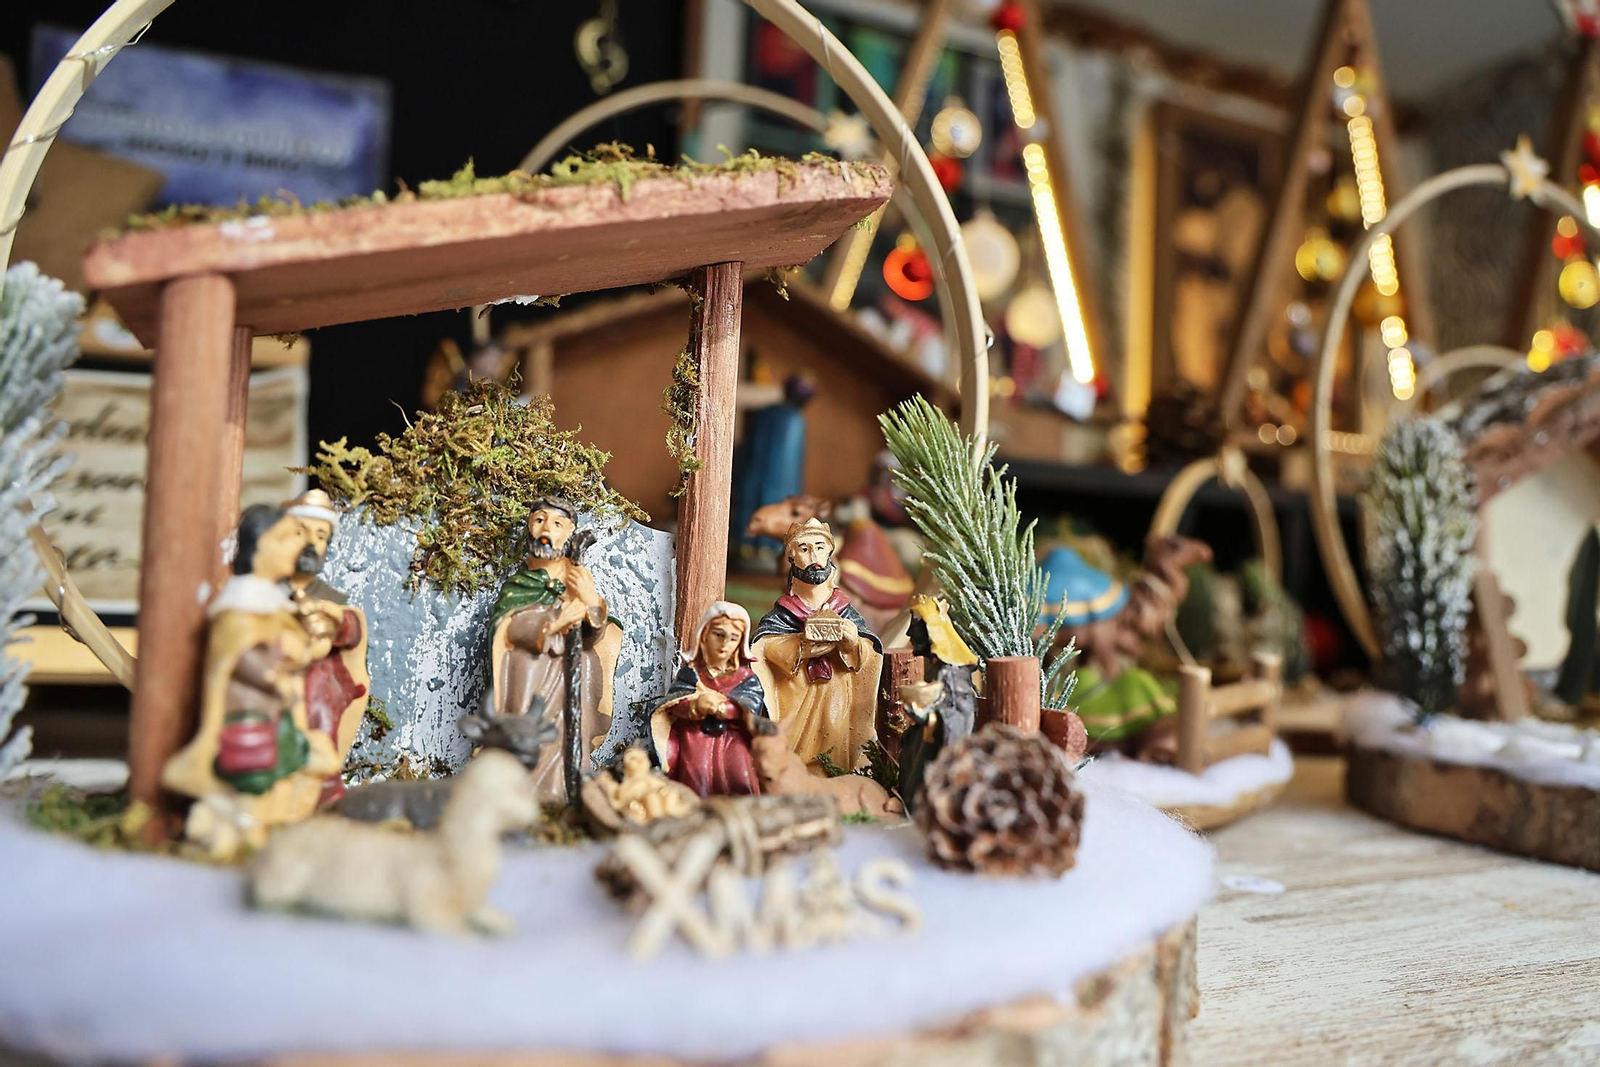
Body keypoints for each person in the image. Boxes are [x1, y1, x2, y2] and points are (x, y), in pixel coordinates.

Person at [162, 504, 341, 854]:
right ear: (262, 545)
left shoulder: (275, 601)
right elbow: (236, 653)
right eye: (290, 538)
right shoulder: (241, 602)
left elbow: (293, 647)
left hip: (280, 713)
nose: (299, 547)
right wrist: (273, 673)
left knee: (282, 772)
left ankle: (263, 830)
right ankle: (236, 833)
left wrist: (302, 648)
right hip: (248, 714)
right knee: (253, 778)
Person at [489, 497, 622, 803]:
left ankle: (569, 791)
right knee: (532, 742)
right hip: (531, 680)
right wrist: (557, 620)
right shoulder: (519, 585)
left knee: (567, 738)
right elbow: (506, 627)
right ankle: (527, 798)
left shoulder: (578, 581)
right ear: (529, 528)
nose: (546, 529)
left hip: (569, 684)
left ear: (569, 532)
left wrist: (590, 602)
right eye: (539, 520)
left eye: (557, 523)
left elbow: (594, 638)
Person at [751, 518, 883, 774]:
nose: (814, 555)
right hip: (795, 695)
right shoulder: (783, 614)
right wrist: (801, 646)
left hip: (835, 694)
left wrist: (853, 641)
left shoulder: (843, 609)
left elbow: (869, 654)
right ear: (791, 558)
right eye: (804, 549)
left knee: (833, 742)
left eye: (820, 548)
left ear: (830, 553)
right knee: (793, 748)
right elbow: (764, 648)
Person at [282, 488, 369, 806]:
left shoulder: (332, 601)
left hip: (314, 695)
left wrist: (332, 620)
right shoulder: (265, 588)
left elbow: (352, 629)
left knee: (317, 698)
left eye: (320, 535)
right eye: (300, 532)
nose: (310, 542)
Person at [650, 601, 768, 796]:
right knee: (697, 775)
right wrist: (694, 706)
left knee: (740, 775)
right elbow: (673, 704)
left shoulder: (746, 678)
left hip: (733, 738)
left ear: (740, 643)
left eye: (733, 638)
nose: (724, 644)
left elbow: (753, 708)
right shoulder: (693, 673)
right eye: (718, 635)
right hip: (696, 736)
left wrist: (725, 709)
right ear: (704, 636)